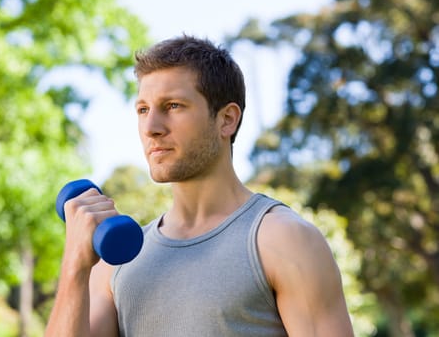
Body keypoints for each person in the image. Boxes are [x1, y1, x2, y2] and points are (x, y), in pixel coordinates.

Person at [45, 35, 354, 336]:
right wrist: (75, 266)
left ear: (227, 120)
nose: (151, 128)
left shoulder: (284, 240)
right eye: (143, 110)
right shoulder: (117, 263)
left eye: (173, 106)